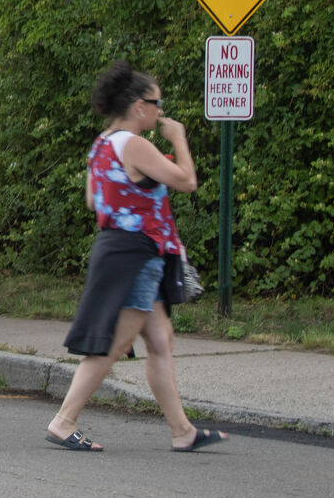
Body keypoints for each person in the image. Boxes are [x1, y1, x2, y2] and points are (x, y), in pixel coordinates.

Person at [46, 62, 227, 454]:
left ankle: (183, 431)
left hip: (121, 248)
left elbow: (94, 199)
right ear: (138, 106)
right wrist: (179, 139)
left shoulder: (102, 144)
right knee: (115, 344)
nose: (161, 111)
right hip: (136, 252)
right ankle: (64, 421)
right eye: (157, 103)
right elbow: (186, 181)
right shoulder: (135, 144)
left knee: (160, 341)